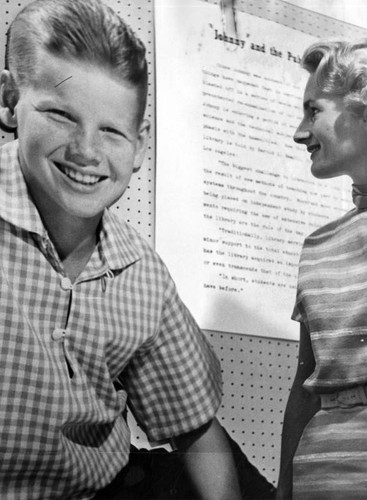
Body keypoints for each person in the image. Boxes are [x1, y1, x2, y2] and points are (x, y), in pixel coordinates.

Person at [0, 1, 243, 498]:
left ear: (140, 145)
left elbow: (194, 428)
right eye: (60, 115)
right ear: (9, 101)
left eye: (111, 130)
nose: (86, 151)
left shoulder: (142, 272)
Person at [277, 37, 367, 499]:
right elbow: (304, 386)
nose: (299, 132)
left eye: (314, 111)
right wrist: (284, 490)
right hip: (321, 470)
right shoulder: (318, 244)